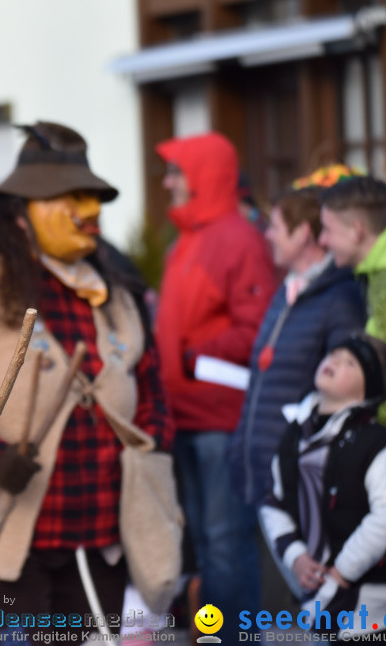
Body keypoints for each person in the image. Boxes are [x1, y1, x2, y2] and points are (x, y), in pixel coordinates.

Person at [0, 122, 171, 640]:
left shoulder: (114, 294)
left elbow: (153, 392)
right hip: (6, 535)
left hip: (100, 535)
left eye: (93, 197)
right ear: (22, 209)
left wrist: (145, 457)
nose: (90, 211)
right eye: (69, 197)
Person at [154, 132, 276, 634]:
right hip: (184, 415)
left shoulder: (238, 239)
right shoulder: (186, 240)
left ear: (203, 175)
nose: (167, 183)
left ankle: (234, 637)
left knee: (226, 542)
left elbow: (257, 328)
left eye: (177, 172)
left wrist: (192, 356)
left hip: (221, 420)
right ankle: (215, 634)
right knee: (205, 541)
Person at [227, 180, 365, 611]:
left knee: (295, 609)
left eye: (276, 225)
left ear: (303, 234)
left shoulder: (338, 297)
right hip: (260, 469)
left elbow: (344, 388)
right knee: (266, 604)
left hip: (299, 479)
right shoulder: (286, 290)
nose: (266, 233)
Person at [260, 333, 386, 637]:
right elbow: (274, 501)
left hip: (374, 611)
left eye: (350, 362)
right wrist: (295, 556)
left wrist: (344, 569)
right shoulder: (295, 435)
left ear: (369, 390)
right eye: (334, 354)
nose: (335, 360)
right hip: (319, 603)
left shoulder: (375, 445)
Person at [318, 176, 386, 457]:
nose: (322, 240)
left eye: (327, 230)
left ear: (356, 230)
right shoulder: (385, 269)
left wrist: (364, 429)